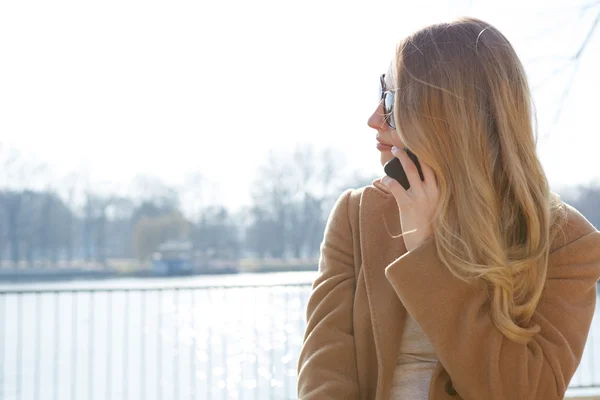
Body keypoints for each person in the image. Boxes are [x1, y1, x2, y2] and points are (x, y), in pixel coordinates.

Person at [296, 17, 600, 400]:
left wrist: (428, 253)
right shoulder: (356, 217)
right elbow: (323, 377)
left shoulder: (567, 243)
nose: (373, 118)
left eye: (390, 99)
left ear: (449, 115)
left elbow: (525, 392)